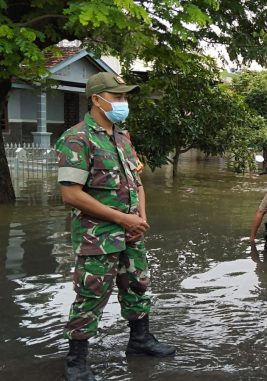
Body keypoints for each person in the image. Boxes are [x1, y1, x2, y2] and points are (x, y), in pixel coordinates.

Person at [55, 72, 175, 381]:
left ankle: (140, 340)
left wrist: (141, 220)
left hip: (133, 232)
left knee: (138, 286)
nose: (123, 102)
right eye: (117, 96)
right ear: (97, 99)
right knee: (91, 294)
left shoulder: (123, 137)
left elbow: (138, 183)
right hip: (98, 236)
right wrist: (123, 219)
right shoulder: (76, 138)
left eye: (124, 97)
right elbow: (71, 194)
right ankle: (77, 361)